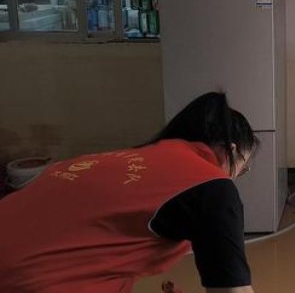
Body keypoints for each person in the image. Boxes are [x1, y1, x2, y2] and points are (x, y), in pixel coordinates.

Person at [0, 92, 258, 293]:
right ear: (230, 151)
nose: (236, 176)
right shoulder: (211, 184)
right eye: (243, 168)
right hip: (28, 282)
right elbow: (233, 290)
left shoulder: (125, 157)